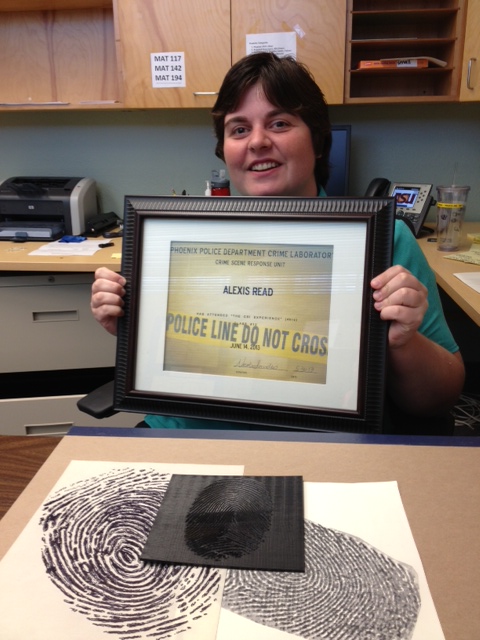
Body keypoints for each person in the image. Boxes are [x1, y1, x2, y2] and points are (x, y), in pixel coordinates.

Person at [91, 52, 464, 434]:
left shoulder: (382, 245)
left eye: (279, 123)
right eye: (238, 129)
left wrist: (404, 343)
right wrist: (131, 326)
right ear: (225, 149)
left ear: (318, 141)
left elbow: (439, 397)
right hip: (187, 435)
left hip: (320, 444)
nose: (257, 142)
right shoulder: (179, 238)